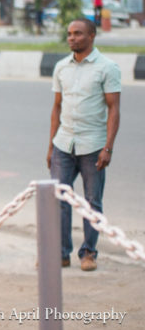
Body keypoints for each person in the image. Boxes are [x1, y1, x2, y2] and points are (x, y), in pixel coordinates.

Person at [46, 18, 121, 272]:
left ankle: (88, 252)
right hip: (63, 144)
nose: (72, 38)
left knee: (92, 202)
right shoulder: (61, 67)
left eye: (78, 34)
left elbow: (113, 109)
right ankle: (61, 253)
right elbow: (56, 107)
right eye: (69, 34)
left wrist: (108, 147)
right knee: (60, 199)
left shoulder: (107, 68)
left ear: (92, 36)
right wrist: (50, 146)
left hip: (93, 146)